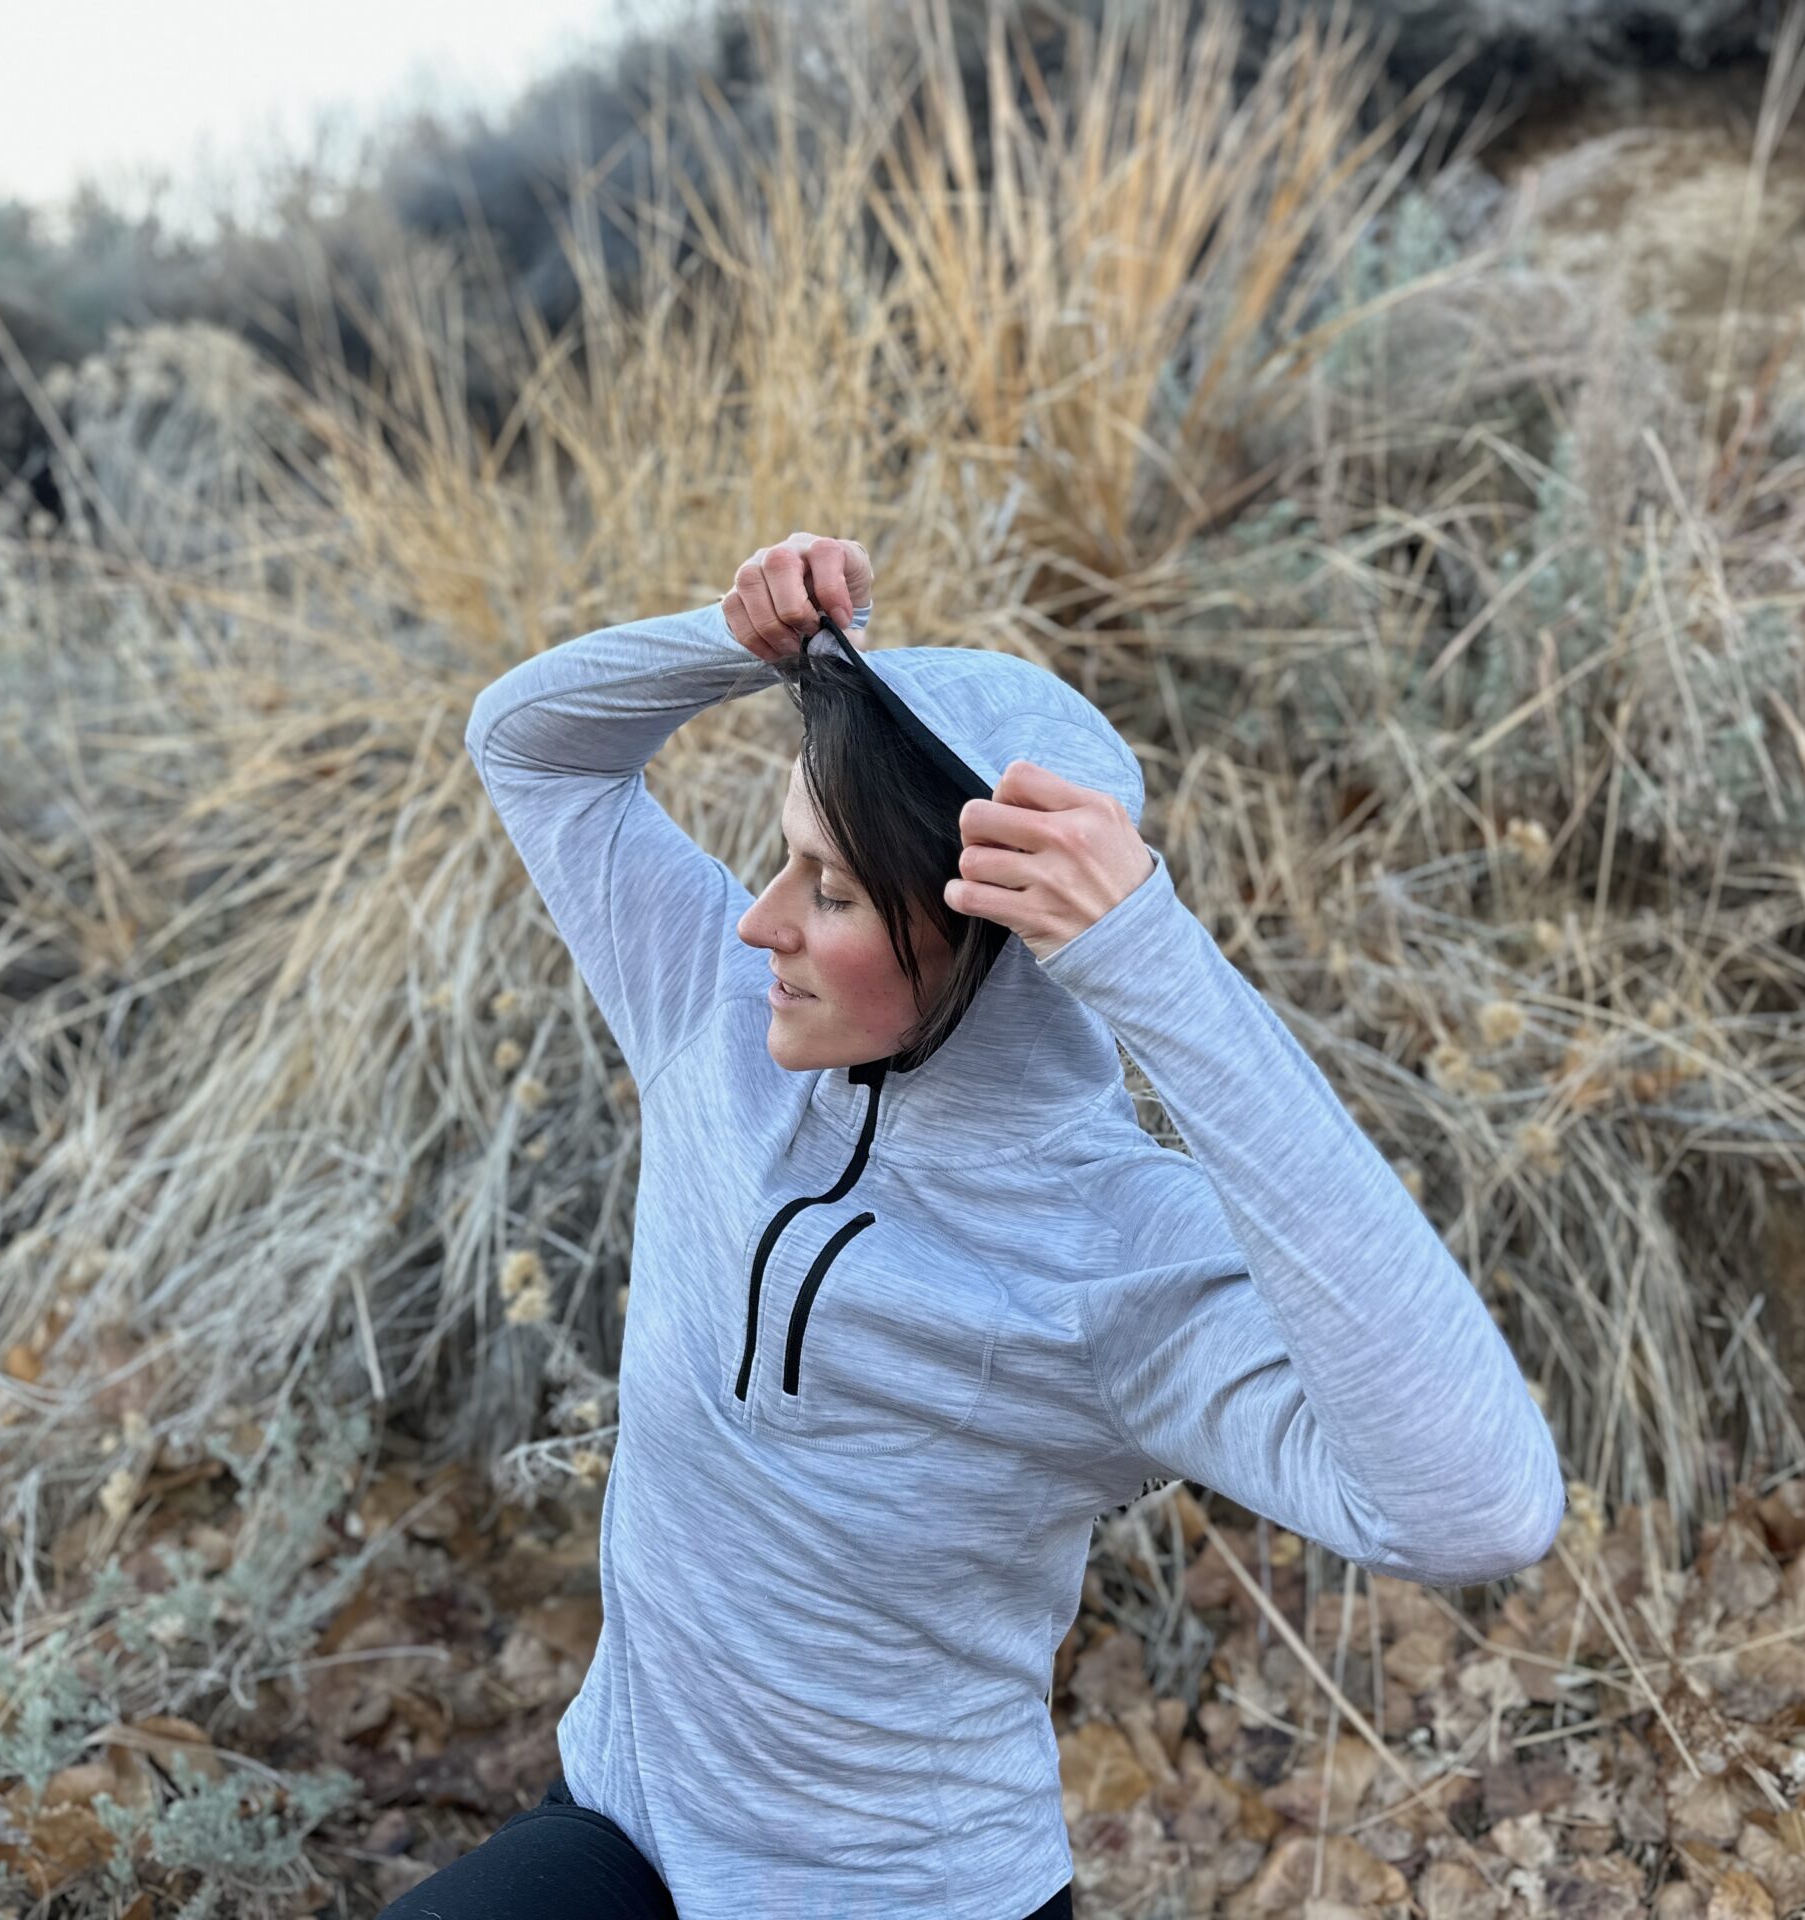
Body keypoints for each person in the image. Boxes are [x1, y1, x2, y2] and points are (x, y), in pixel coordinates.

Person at [402, 532, 1566, 1918]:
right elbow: (532, 747)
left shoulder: (1112, 1259)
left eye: (828, 891)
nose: (756, 924)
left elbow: (1479, 1509)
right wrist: (741, 645)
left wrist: (1158, 964)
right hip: (629, 1830)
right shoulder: (712, 1028)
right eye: (780, 862)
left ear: (990, 947)